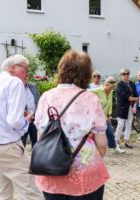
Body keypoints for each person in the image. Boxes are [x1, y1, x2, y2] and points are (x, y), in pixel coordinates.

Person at [34, 50, 109, 199]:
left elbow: (40, 136)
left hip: (52, 168)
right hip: (84, 170)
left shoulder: (46, 97)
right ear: (86, 73)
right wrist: (89, 160)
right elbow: (101, 143)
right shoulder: (90, 98)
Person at [0, 55, 44, 200]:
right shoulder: (14, 82)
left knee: (3, 192)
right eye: (25, 69)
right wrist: (26, 121)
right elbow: (14, 121)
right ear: (13, 68)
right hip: (6, 147)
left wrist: (18, 118)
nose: (27, 73)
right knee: (31, 191)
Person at [92, 76, 125, 154]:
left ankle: (114, 147)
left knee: (110, 132)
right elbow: (86, 93)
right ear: (106, 84)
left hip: (104, 117)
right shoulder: (97, 91)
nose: (112, 89)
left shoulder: (110, 92)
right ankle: (92, 150)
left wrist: (109, 114)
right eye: (110, 87)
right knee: (94, 134)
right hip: (95, 117)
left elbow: (109, 104)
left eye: (113, 87)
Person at [115, 68, 139, 149]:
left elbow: (136, 94)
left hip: (131, 106)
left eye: (127, 74)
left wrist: (135, 106)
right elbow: (125, 96)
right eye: (124, 74)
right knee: (121, 124)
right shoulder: (120, 84)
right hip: (122, 107)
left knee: (129, 123)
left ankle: (126, 140)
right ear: (121, 75)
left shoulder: (132, 83)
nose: (126, 75)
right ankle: (117, 141)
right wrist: (135, 99)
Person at [21, 73, 40, 148]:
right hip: (23, 120)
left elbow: (38, 99)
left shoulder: (33, 86)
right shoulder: (17, 88)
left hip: (35, 119)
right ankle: (21, 159)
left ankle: (36, 158)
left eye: (27, 76)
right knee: (22, 142)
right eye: (24, 76)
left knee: (36, 142)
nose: (25, 77)